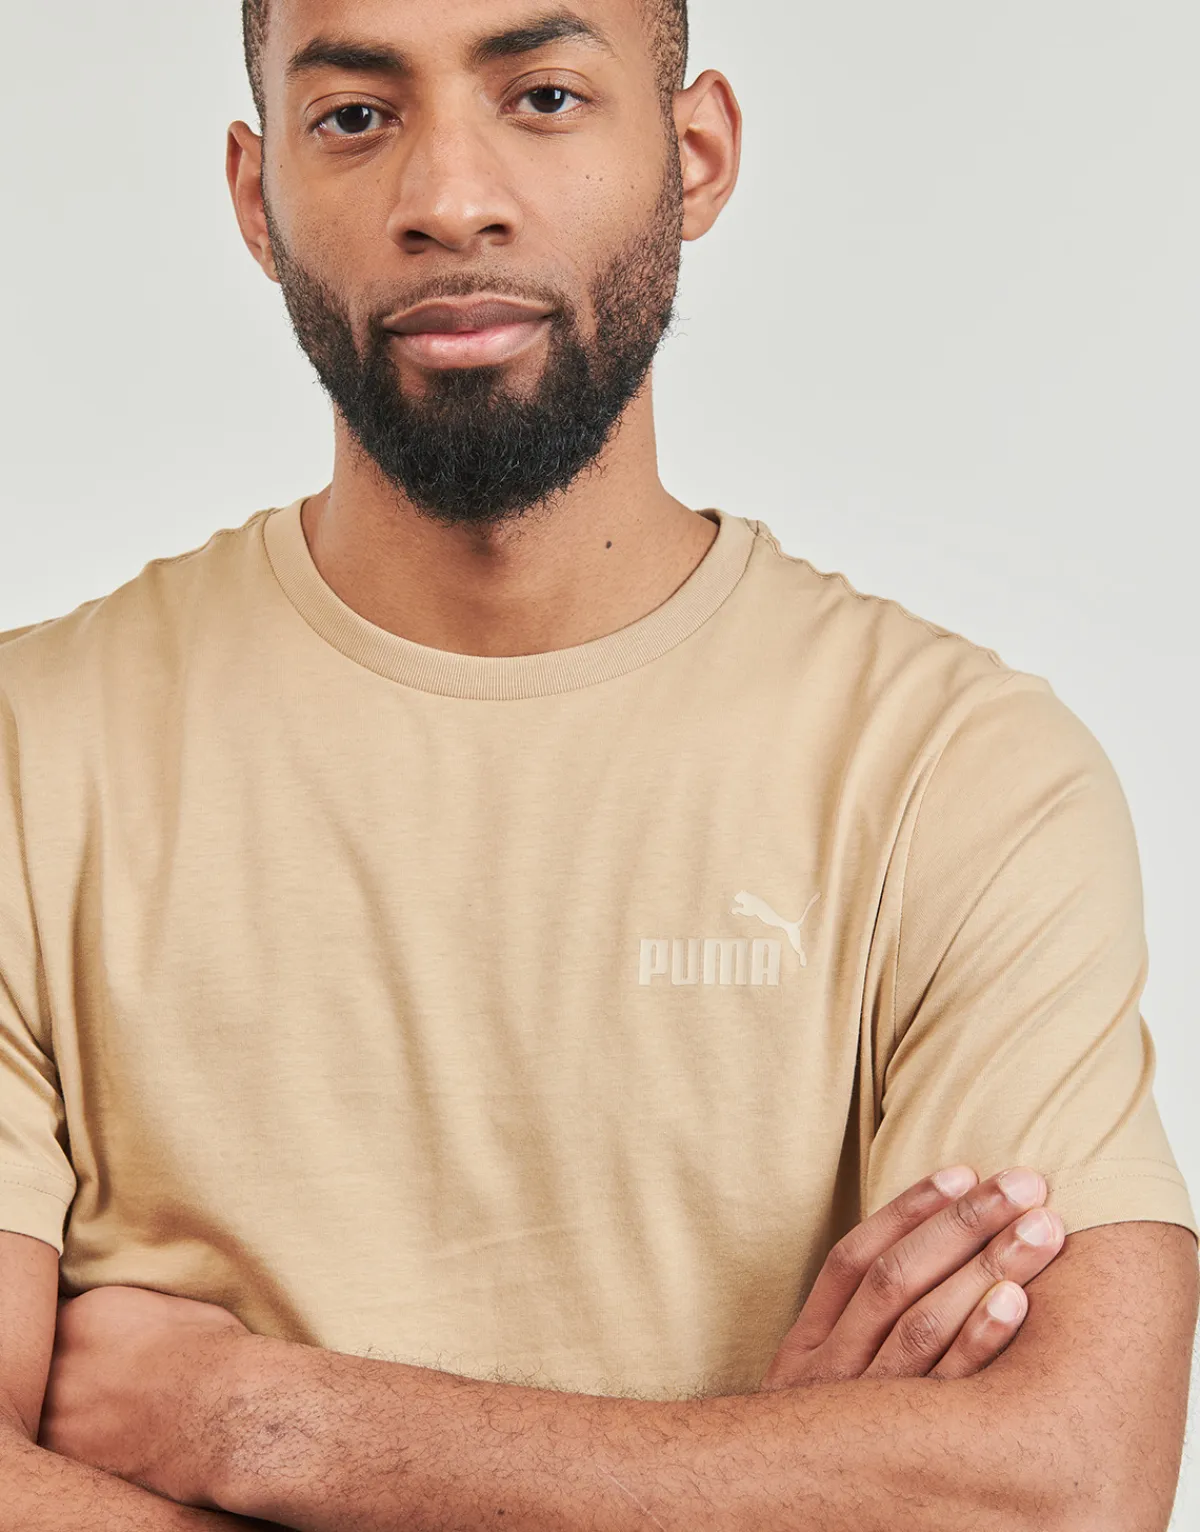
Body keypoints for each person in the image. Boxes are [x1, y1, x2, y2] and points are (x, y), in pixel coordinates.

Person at [0, 1, 1195, 1528]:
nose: (450, 199)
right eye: (355, 117)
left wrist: (269, 1427)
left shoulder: (953, 776)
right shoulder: (32, 759)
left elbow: (1066, 1489)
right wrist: (768, 1488)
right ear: (257, 196)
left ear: (693, 156)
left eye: (545, 96)